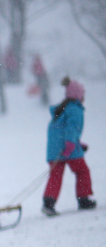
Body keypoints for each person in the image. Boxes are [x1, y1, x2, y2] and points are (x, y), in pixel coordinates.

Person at [42, 77, 97, 216]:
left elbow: (59, 131)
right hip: (68, 148)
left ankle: (48, 203)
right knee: (82, 171)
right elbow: (71, 129)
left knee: (55, 176)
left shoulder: (61, 109)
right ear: (78, 95)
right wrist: (71, 144)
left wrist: (76, 143)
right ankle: (83, 199)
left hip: (55, 150)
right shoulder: (75, 109)